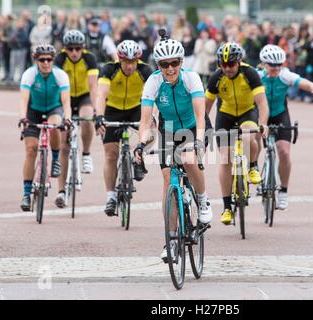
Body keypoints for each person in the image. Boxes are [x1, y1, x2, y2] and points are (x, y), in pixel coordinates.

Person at [133, 31, 213, 262]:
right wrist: (140, 144)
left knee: (188, 159)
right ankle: (171, 240)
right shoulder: (153, 82)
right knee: (169, 181)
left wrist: (198, 142)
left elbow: (201, 116)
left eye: (174, 63)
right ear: (158, 65)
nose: (170, 69)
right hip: (168, 131)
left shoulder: (191, 78)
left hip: (194, 127)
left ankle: (203, 198)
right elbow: (146, 121)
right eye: (164, 64)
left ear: (181, 62)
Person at [205, 42, 269, 225]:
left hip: (247, 112)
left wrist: (263, 124)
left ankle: (253, 166)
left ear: (239, 62)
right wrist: (202, 130)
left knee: (249, 135)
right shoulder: (216, 78)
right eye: (223, 65)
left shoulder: (250, 74)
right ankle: (226, 207)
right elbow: (205, 109)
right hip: (225, 115)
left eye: (231, 64)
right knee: (225, 157)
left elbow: (262, 103)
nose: (227, 68)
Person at [257, 45, 313, 209]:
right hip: (261, 114)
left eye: (279, 65)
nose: (276, 68)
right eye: (272, 65)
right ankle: (256, 171)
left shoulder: (285, 75)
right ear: (263, 64)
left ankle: (283, 191)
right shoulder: (257, 76)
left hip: (280, 113)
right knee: (253, 141)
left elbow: (303, 82)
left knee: (284, 152)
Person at [94, 40, 153, 216]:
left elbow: (154, 95)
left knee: (151, 132)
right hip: (113, 110)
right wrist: (99, 117)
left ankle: (137, 157)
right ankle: (111, 196)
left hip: (136, 108)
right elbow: (101, 94)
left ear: (138, 61)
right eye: (126, 62)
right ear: (119, 60)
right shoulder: (109, 70)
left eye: (133, 62)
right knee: (111, 154)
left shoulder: (145, 71)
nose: (129, 66)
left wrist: (153, 117)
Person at [18, 43, 72, 211]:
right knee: (31, 150)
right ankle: (26, 194)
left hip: (53, 108)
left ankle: (55, 158)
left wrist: (68, 118)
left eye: (49, 59)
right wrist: (23, 118)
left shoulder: (60, 75)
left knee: (55, 125)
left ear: (53, 60)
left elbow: (65, 102)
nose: (46, 63)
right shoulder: (29, 74)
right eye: (42, 60)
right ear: (36, 60)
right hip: (33, 110)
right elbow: (23, 100)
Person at [53, 30, 99, 208]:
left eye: (77, 48)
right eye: (70, 49)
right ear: (65, 49)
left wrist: (96, 109)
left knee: (87, 119)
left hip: (84, 96)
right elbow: (56, 84)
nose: (74, 52)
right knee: (64, 145)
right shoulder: (59, 60)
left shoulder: (90, 59)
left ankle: (86, 154)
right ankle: (61, 192)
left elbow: (94, 86)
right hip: (65, 97)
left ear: (83, 48)